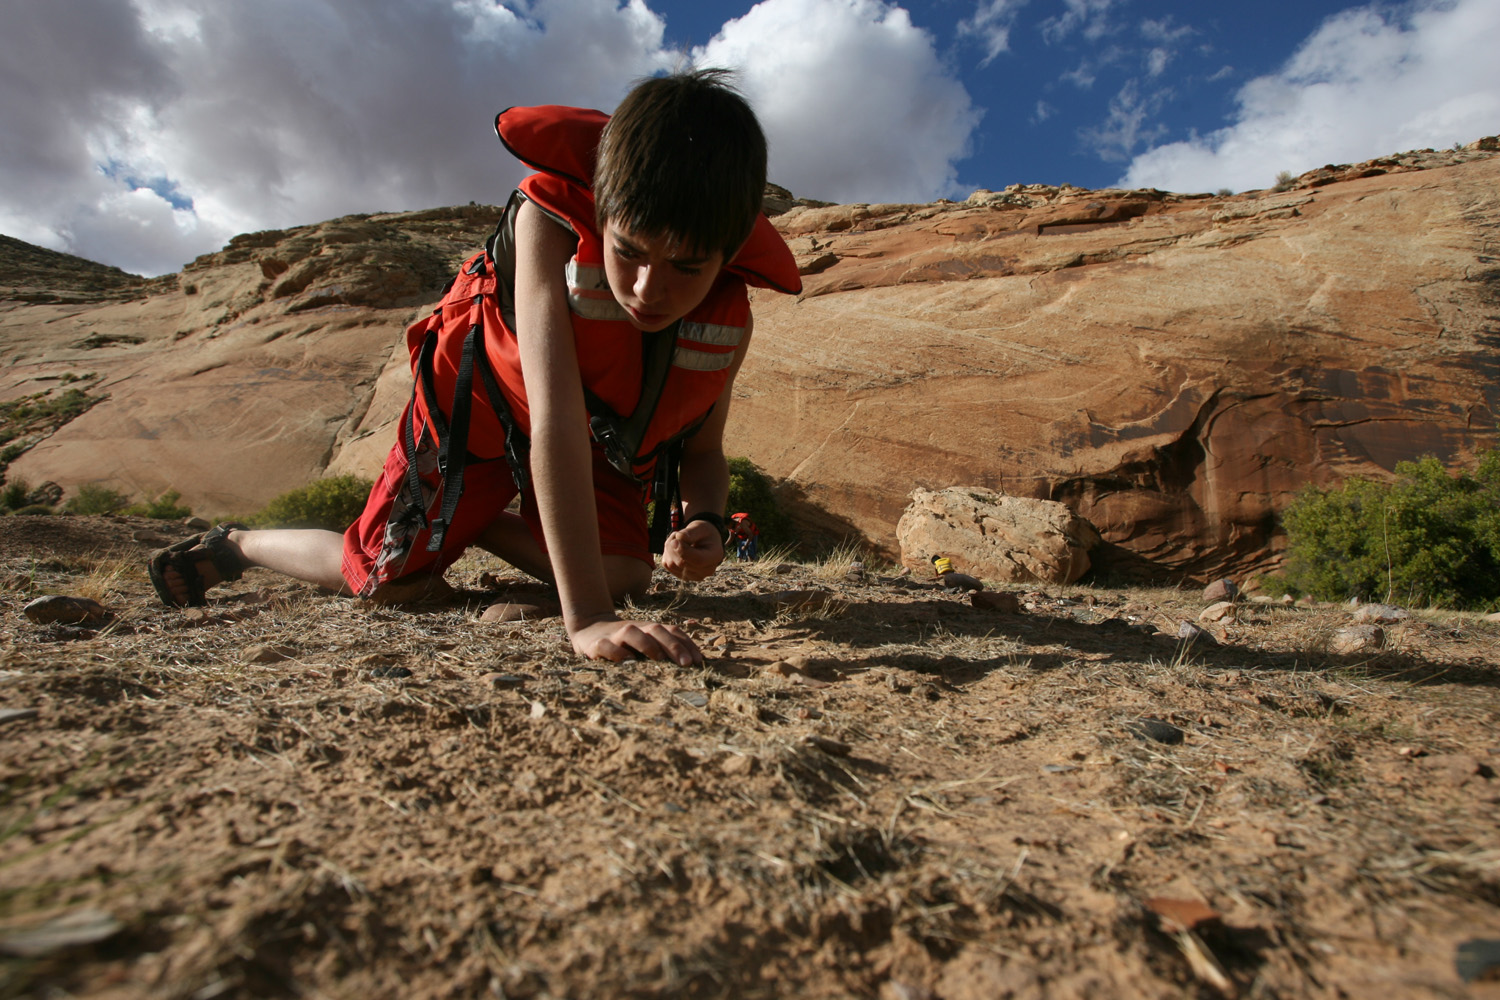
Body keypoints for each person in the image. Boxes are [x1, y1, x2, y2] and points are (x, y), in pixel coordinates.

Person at [149, 68, 802, 666]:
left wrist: (706, 523)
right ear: (603, 208)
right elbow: (554, 421)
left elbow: (705, 449)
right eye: (626, 253)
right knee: (383, 583)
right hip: (478, 416)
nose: (646, 290)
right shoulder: (548, 223)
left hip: (588, 440)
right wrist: (589, 620)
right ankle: (237, 544)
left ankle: (478, 520)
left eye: (687, 268)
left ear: (729, 252)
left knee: (628, 577)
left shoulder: (727, 313)